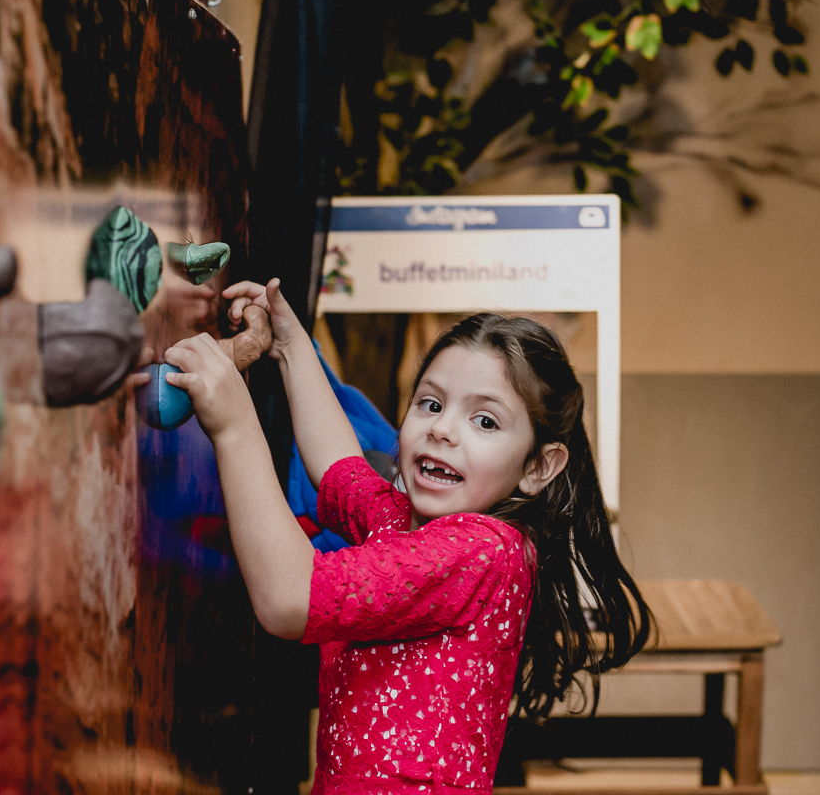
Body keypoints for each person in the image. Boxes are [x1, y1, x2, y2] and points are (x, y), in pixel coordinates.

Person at [162, 279, 651, 794]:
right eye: (431, 404)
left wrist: (235, 424)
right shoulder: (406, 525)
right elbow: (339, 470)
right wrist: (289, 345)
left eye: (484, 420)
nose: (443, 430)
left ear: (537, 467)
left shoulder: (483, 550)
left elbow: (289, 598)